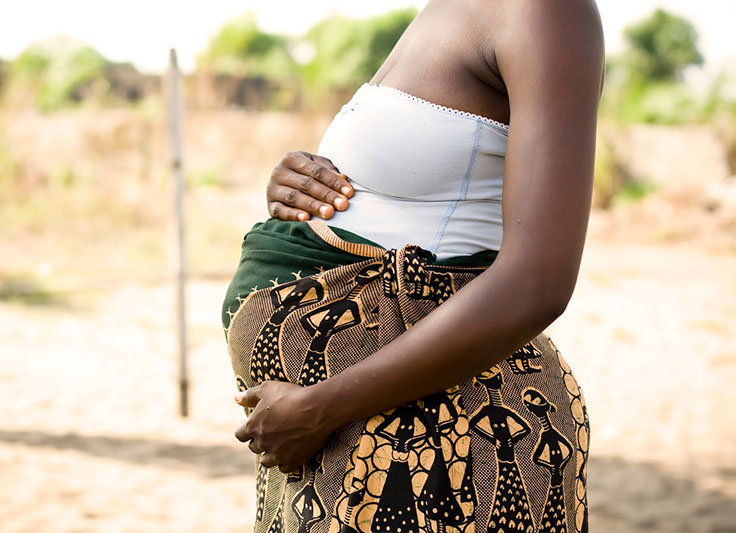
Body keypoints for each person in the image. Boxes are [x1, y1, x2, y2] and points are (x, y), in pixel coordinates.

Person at [221, 0, 604, 531]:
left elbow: (538, 282)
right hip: (357, 431)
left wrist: (321, 407)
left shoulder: (546, 12)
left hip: (434, 436)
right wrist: (298, 188)